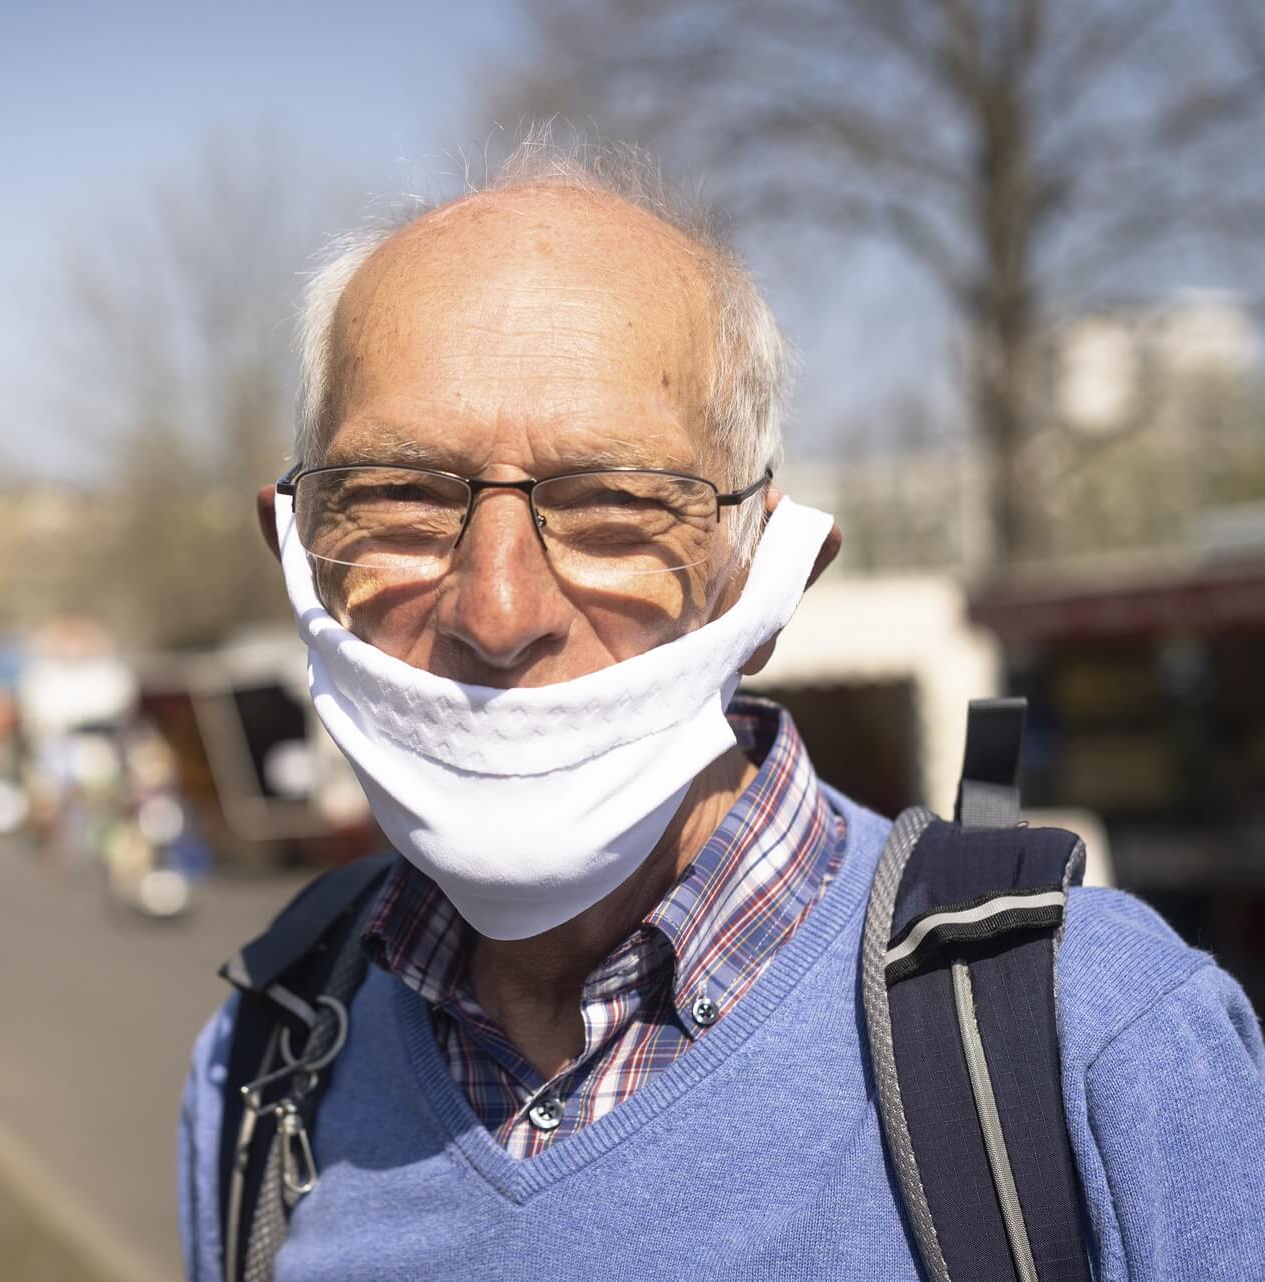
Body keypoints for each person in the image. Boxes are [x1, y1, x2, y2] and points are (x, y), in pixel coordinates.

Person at [176, 139, 1265, 1281]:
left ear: (766, 575)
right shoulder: (263, 1069)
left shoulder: (1090, 1038)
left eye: (612, 505)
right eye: (398, 495)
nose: (497, 610)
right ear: (298, 548)